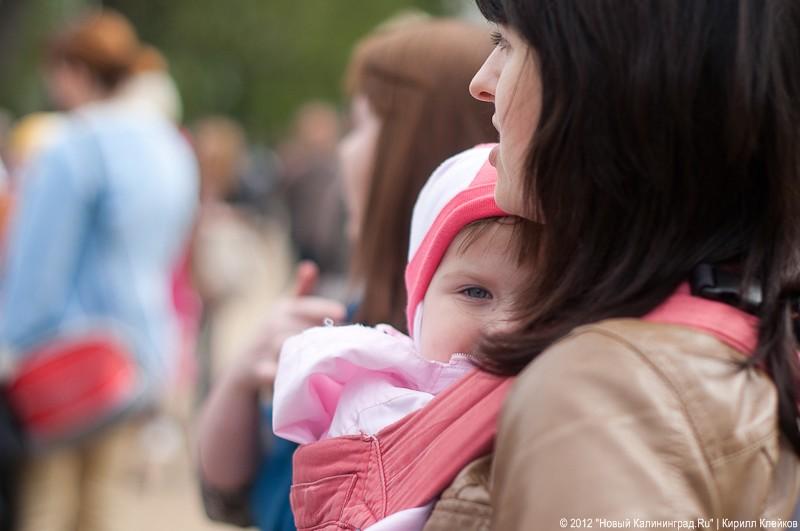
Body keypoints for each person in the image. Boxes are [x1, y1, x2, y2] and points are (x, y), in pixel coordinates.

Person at [420, 1, 800, 528]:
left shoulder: (604, 392)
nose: (482, 83)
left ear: (603, 80)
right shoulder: (742, 321)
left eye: (506, 43)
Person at [196, 17, 496, 531]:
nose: (342, 150)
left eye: (359, 124)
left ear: (413, 146)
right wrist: (244, 375)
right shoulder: (350, 323)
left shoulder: (461, 356)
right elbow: (232, 494)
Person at [0, 9, 197, 531]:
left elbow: (38, 265)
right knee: (105, 507)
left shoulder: (73, 145)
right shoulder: (170, 146)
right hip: (141, 353)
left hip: (63, 355)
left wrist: (10, 343)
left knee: (46, 505)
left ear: (73, 71)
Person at [273, 146, 525, 529]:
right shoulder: (375, 412)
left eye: (544, 300)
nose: (508, 325)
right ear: (420, 304)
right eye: (475, 293)